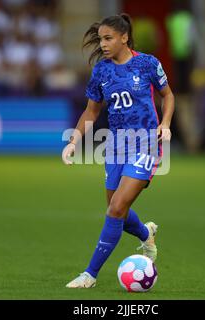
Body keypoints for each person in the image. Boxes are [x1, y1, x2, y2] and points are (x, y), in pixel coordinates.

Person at [61, 13, 175, 288]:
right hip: (115, 146)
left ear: (124, 37)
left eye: (108, 38)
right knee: (117, 212)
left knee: (115, 209)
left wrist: (166, 124)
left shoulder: (147, 63)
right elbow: (91, 112)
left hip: (146, 143)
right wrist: (73, 142)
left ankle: (90, 274)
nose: (103, 44)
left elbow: (168, 95)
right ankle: (145, 233)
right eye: (100, 39)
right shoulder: (101, 71)